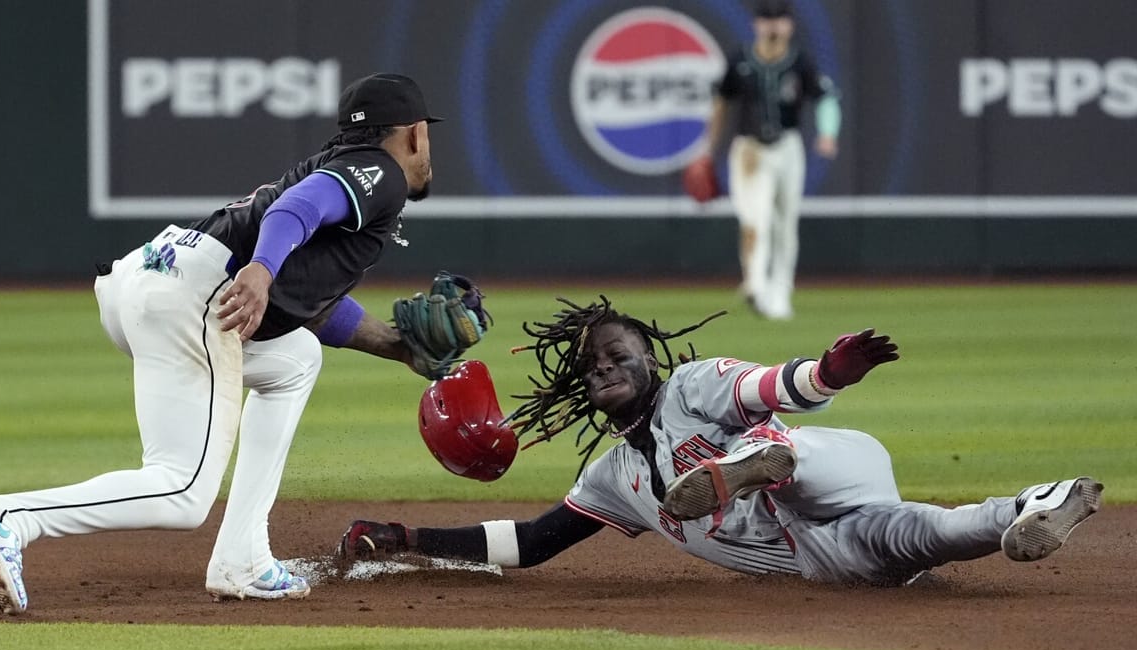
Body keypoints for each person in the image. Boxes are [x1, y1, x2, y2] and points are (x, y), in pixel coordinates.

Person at [0, 72, 448, 614]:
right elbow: (293, 211)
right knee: (181, 491)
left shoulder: (343, 166)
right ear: (416, 133)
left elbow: (308, 300)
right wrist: (260, 269)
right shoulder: (381, 172)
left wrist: (397, 346)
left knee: (295, 359)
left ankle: (244, 557)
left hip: (149, 275)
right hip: (198, 295)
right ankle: (12, 519)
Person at [337, 298, 1103, 586]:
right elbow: (530, 541)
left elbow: (769, 388)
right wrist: (407, 538)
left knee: (794, 457)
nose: (605, 364)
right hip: (814, 555)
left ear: (651, 360)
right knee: (926, 534)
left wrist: (827, 371)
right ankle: (1034, 506)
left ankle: (758, 463)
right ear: (582, 386)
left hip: (835, 467)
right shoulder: (611, 477)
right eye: (593, 362)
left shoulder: (692, 386)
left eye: (620, 352)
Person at [686, 0, 841, 320]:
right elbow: (721, 105)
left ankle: (780, 293)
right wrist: (706, 150)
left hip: (787, 147)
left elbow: (826, 97)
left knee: (785, 223)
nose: (773, 26)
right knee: (754, 219)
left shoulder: (800, 61)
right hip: (750, 150)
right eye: (767, 20)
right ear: (756, 25)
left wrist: (827, 133)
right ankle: (756, 286)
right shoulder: (740, 59)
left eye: (779, 20)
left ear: (789, 26)